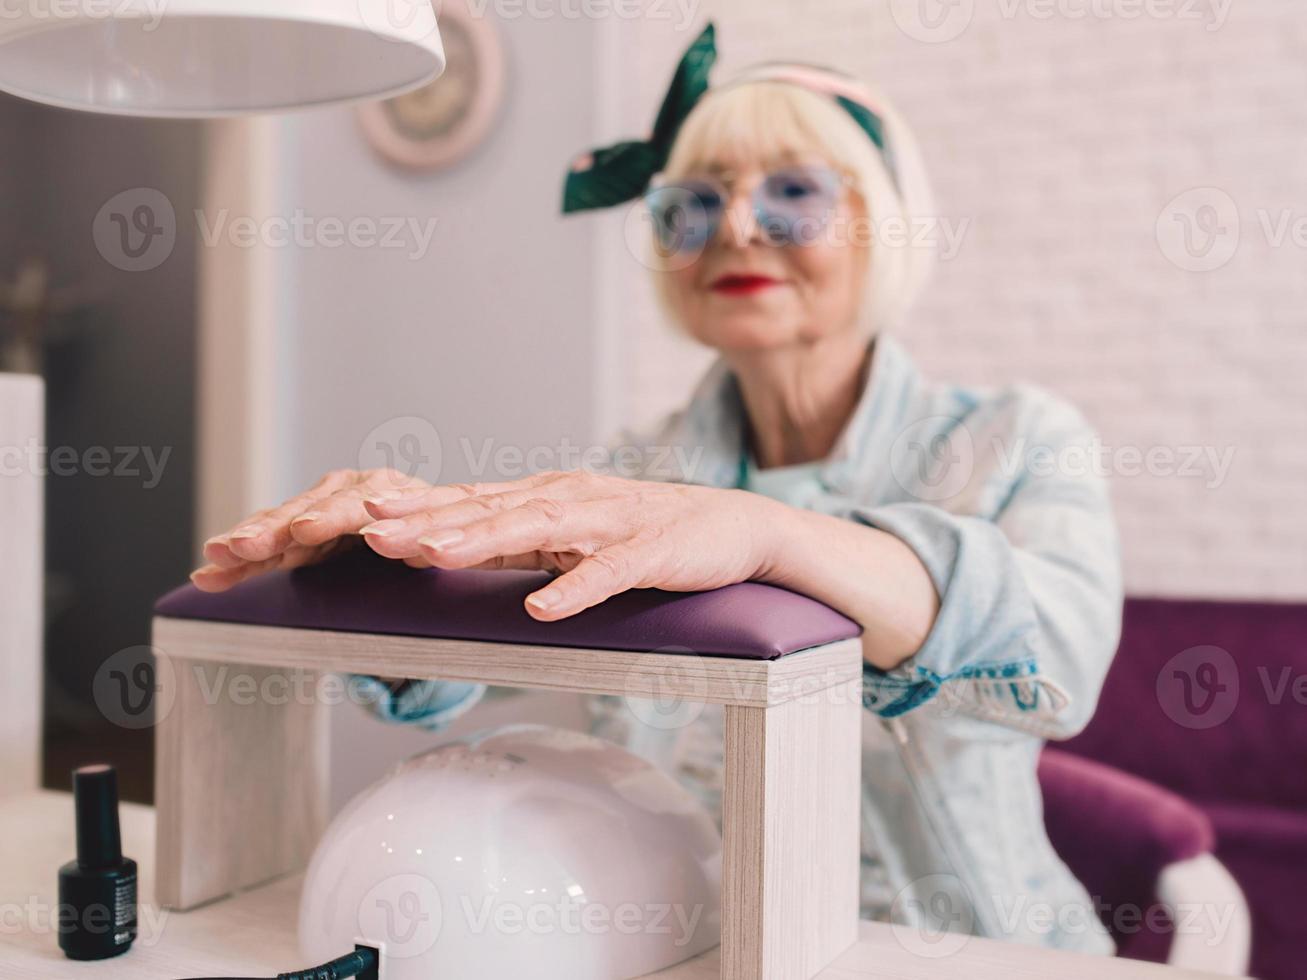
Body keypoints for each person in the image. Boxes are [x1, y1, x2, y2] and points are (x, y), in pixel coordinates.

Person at [191, 23, 1121, 954]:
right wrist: (393, 567)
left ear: (881, 222)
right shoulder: (640, 474)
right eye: (694, 202)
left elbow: (1056, 662)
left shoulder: (1012, 441)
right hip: (690, 944)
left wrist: (768, 534)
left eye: (793, 192)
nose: (738, 228)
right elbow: (499, 655)